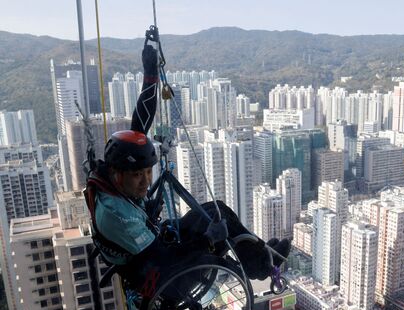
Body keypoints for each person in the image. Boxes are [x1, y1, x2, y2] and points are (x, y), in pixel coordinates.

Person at [84, 42, 290, 292]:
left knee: (218, 211)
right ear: (119, 174)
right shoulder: (119, 216)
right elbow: (164, 259)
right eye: (137, 175)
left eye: (148, 172)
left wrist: (150, 76)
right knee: (218, 228)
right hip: (167, 276)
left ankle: (262, 259)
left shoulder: (113, 178)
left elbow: (140, 122)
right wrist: (208, 240)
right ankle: (261, 265)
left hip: (157, 247)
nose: (146, 181)